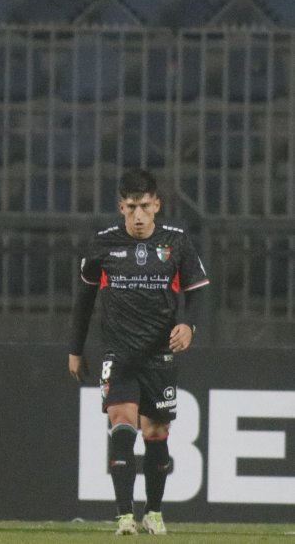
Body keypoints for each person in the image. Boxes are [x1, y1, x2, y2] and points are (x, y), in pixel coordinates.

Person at [68, 169, 210, 536]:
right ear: (121, 207)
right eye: (131, 207)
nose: (138, 215)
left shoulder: (176, 242)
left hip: (159, 353)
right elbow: (83, 301)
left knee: (157, 431)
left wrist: (189, 326)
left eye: (145, 206)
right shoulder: (102, 244)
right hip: (118, 351)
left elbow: (197, 292)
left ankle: (155, 511)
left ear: (157, 205)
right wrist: (75, 350)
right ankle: (124, 516)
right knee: (122, 422)